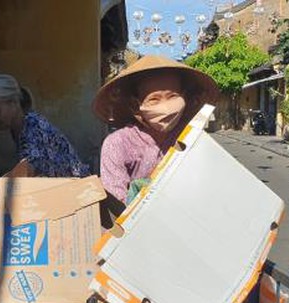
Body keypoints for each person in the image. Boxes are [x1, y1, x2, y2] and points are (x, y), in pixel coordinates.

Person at [92, 56, 220, 204]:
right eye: (154, 99)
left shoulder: (191, 137)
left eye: (173, 96)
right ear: (135, 106)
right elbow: (116, 202)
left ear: (184, 97)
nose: (166, 107)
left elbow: (206, 183)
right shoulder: (117, 143)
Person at [0, 74, 90, 178]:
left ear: (14, 102)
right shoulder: (20, 127)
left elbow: (30, 169)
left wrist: (7, 180)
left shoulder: (33, 128)